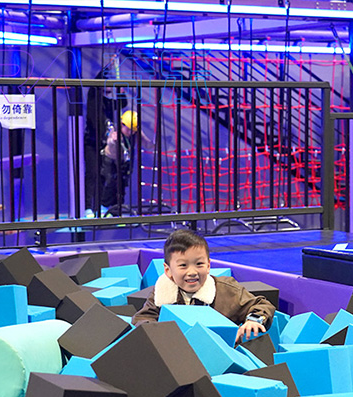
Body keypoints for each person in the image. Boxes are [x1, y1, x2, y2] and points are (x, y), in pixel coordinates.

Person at [132, 229, 276, 344]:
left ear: (208, 265)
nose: (192, 272)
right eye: (183, 265)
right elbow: (143, 317)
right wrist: (158, 333)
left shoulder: (226, 290)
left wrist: (253, 320)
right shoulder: (162, 292)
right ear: (168, 270)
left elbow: (262, 304)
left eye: (199, 264)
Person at [84, 61, 134, 218]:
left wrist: (121, 91)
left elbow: (122, 102)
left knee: (107, 176)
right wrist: (108, 68)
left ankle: (102, 207)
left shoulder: (108, 103)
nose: (109, 88)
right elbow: (94, 87)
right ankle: (88, 207)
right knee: (93, 174)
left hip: (106, 145)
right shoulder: (94, 100)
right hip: (93, 143)